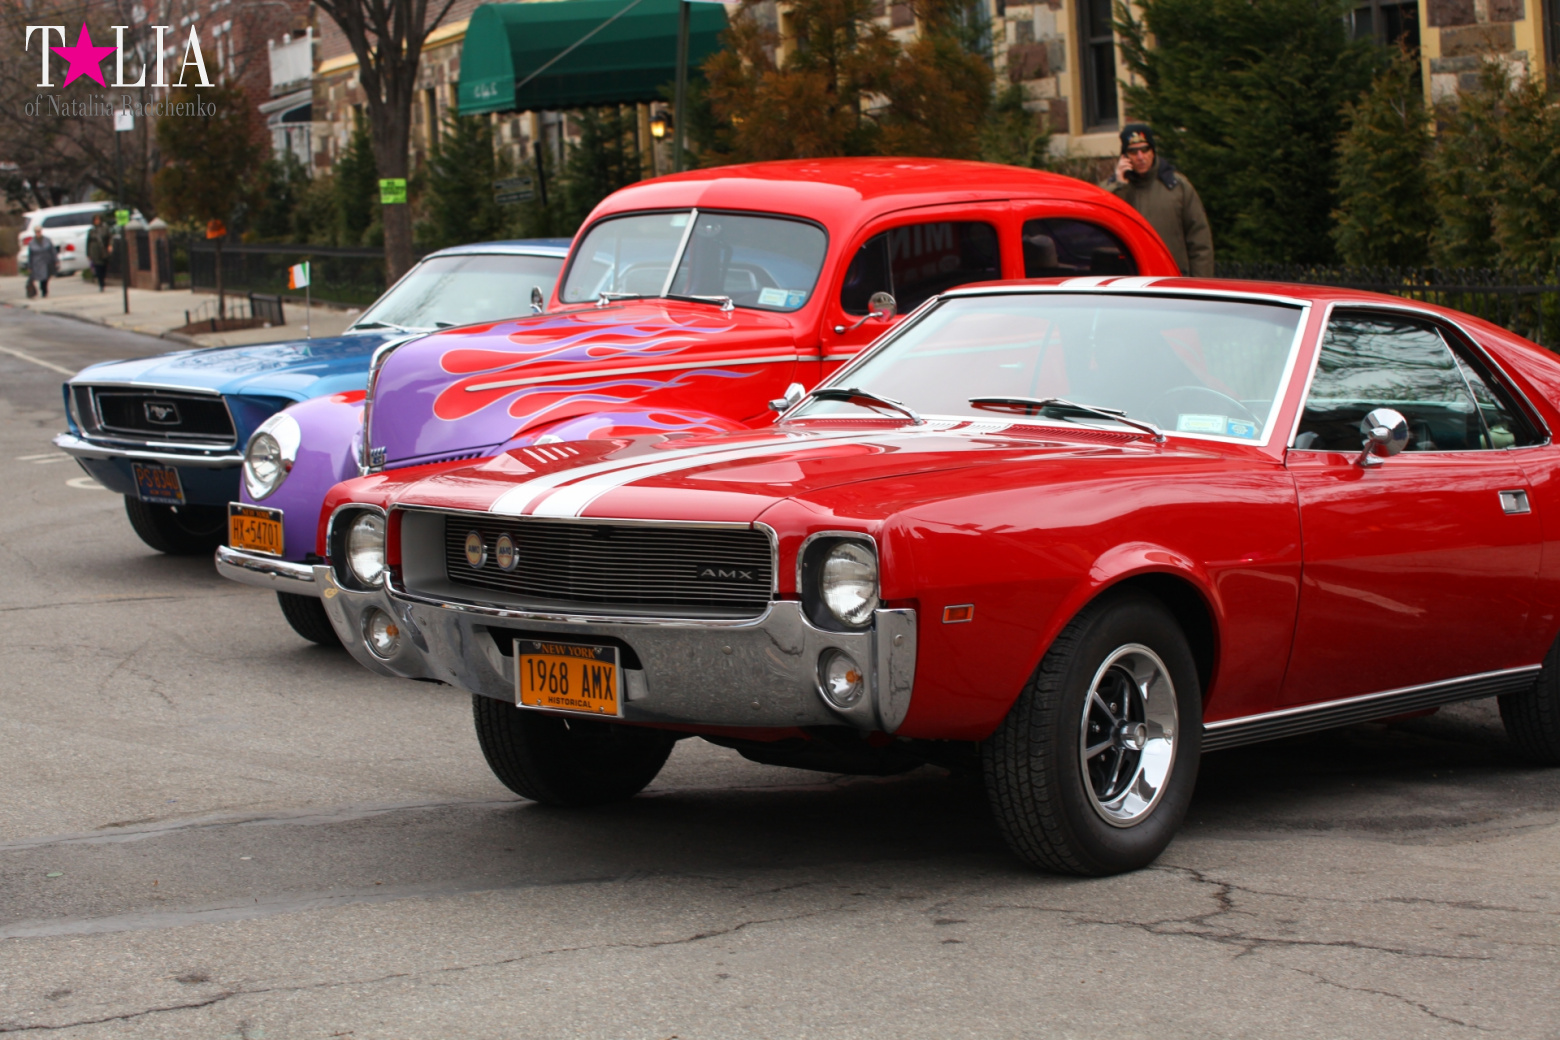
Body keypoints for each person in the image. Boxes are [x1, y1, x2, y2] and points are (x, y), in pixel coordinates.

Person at [1102, 123, 1214, 277]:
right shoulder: (1112, 189)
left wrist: (1201, 287)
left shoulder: (1177, 187)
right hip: (1130, 283)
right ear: (1125, 156)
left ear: (1153, 151)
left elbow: (1200, 242)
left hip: (1172, 280)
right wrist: (1119, 185)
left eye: (1145, 150)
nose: (1140, 157)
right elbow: (1104, 221)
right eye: (1133, 152)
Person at [27, 231, 58, 298]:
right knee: (42, 276)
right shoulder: (32, 242)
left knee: (47, 276)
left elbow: (52, 250)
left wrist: (55, 259)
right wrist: (30, 266)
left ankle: (44, 289)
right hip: (37, 263)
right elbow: (30, 255)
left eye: (39, 232)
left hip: (47, 261)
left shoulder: (47, 240)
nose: (38, 233)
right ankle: (43, 290)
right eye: (36, 232)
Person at [88, 213, 113, 291]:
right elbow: (88, 242)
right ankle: (101, 283)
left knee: (103, 266)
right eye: (95, 220)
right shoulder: (91, 230)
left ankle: (103, 279)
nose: (97, 221)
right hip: (95, 250)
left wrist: (110, 245)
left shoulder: (105, 229)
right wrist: (88, 253)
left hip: (103, 250)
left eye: (98, 219)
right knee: (97, 267)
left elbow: (110, 238)